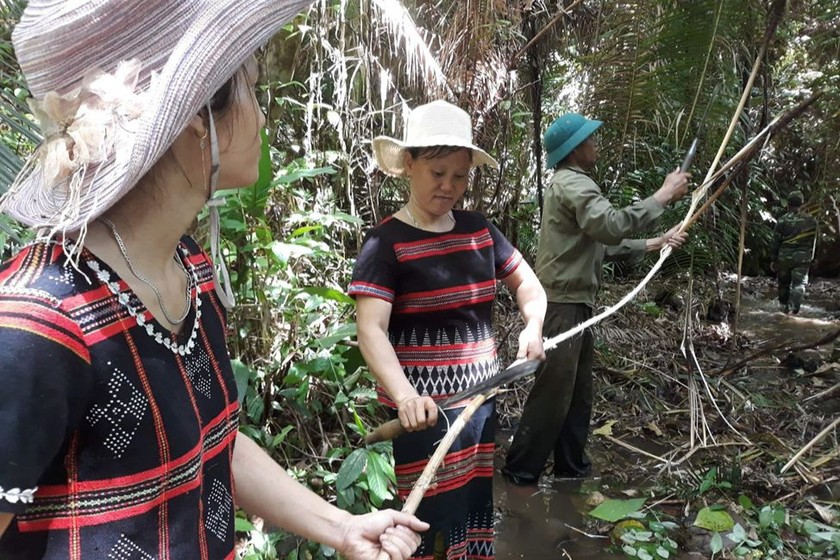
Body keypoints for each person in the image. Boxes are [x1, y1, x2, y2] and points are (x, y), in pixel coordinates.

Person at [0, 2, 428, 559]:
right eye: (255, 86)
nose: (264, 116)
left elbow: (213, 440)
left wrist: (341, 526)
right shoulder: (36, 321)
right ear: (201, 114)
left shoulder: (189, 268)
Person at [349, 100, 546, 559]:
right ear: (409, 165)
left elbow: (529, 287)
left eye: (459, 176)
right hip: (422, 415)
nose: (448, 186)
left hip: (479, 404)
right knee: (423, 518)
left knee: (472, 506)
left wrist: (533, 326)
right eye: (437, 172)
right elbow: (371, 331)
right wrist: (405, 397)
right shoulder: (385, 244)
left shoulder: (479, 230)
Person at [502, 113, 690, 485]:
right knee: (554, 393)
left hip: (574, 304)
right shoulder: (574, 184)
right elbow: (610, 225)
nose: (596, 143)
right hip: (561, 305)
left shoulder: (573, 184)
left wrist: (655, 242)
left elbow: (599, 241)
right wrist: (663, 196)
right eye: (591, 138)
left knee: (577, 395)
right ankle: (520, 473)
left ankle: (571, 469)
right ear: (575, 149)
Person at [771, 190, 817, 314]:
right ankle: (793, 310)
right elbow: (814, 242)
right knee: (799, 284)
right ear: (802, 203)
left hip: (784, 257)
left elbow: (776, 241)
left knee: (783, 284)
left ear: (788, 203)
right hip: (802, 258)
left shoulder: (782, 220)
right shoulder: (811, 221)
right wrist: (812, 258)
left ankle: (782, 309)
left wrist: (773, 258)